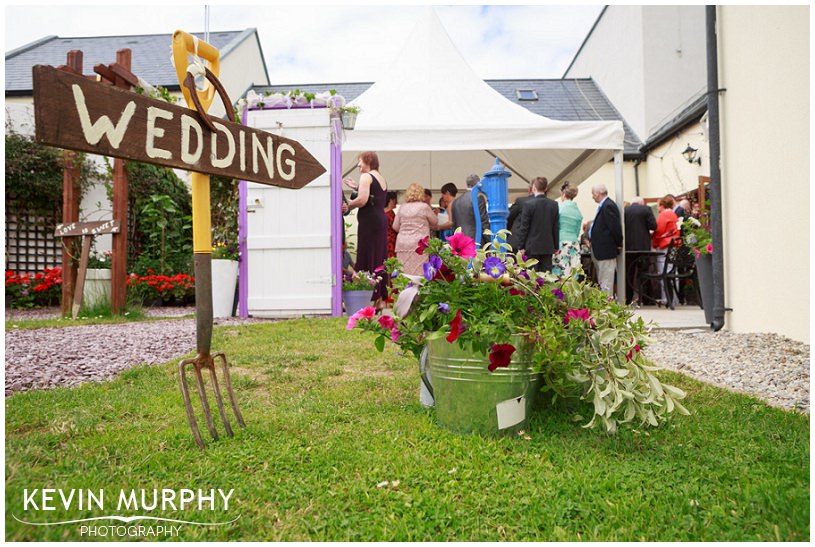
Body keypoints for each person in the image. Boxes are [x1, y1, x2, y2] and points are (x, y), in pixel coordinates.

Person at [343, 151, 389, 308]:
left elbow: (362, 200)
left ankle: (367, 297)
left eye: (360, 162)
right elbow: (373, 196)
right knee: (378, 256)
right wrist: (357, 187)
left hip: (370, 222)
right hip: (380, 220)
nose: (358, 165)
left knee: (368, 255)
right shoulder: (379, 176)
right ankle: (380, 299)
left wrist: (348, 204)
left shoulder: (366, 176)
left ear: (368, 161)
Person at [513, 176, 559, 272]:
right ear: (546, 188)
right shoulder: (554, 204)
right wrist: (556, 246)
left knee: (532, 277)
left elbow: (524, 227)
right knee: (547, 277)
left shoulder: (529, 205)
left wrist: (521, 246)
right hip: (547, 246)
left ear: (533, 188)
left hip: (531, 246)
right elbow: (555, 227)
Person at [393, 183, 439, 276]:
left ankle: (403, 289)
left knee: (403, 271)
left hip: (403, 244)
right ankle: (418, 290)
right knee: (419, 272)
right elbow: (435, 221)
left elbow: (395, 227)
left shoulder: (402, 207)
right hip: (419, 244)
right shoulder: (424, 207)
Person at [588, 183, 623, 295]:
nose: (592, 197)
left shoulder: (608, 205)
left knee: (606, 280)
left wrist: (619, 242)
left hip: (605, 250)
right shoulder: (604, 206)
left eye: (593, 194)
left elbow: (614, 227)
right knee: (603, 279)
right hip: (600, 250)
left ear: (598, 193)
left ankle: (607, 306)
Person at [624, 196, 657, 303]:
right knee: (644, 272)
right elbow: (653, 226)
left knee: (629, 272)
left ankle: (628, 298)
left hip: (629, 247)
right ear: (641, 203)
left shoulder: (625, 211)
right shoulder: (646, 209)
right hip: (643, 247)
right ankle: (646, 299)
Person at [651, 196, 680, 306]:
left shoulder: (663, 215)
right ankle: (674, 299)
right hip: (674, 245)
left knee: (664, 272)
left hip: (665, 245)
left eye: (658, 205)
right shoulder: (673, 214)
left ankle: (667, 298)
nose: (657, 208)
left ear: (662, 205)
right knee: (673, 272)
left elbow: (658, 230)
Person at [552, 182, 583, 277]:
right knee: (572, 273)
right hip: (574, 243)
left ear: (563, 194)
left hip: (561, 242)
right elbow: (577, 231)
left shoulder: (559, 208)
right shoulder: (577, 210)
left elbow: (555, 226)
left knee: (560, 271)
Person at [451, 174, 490, 244]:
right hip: (475, 241)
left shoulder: (456, 201)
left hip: (460, 242)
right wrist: (489, 240)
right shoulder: (479, 198)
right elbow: (483, 221)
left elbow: (454, 224)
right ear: (478, 183)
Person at [506, 183, 534, 251]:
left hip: (517, 242)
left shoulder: (521, 201)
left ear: (530, 189)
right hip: (537, 245)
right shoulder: (549, 204)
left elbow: (508, 215)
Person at [384, 191, 398, 259]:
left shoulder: (381, 213)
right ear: (391, 200)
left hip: (383, 241)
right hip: (391, 241)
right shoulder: (391, 214)